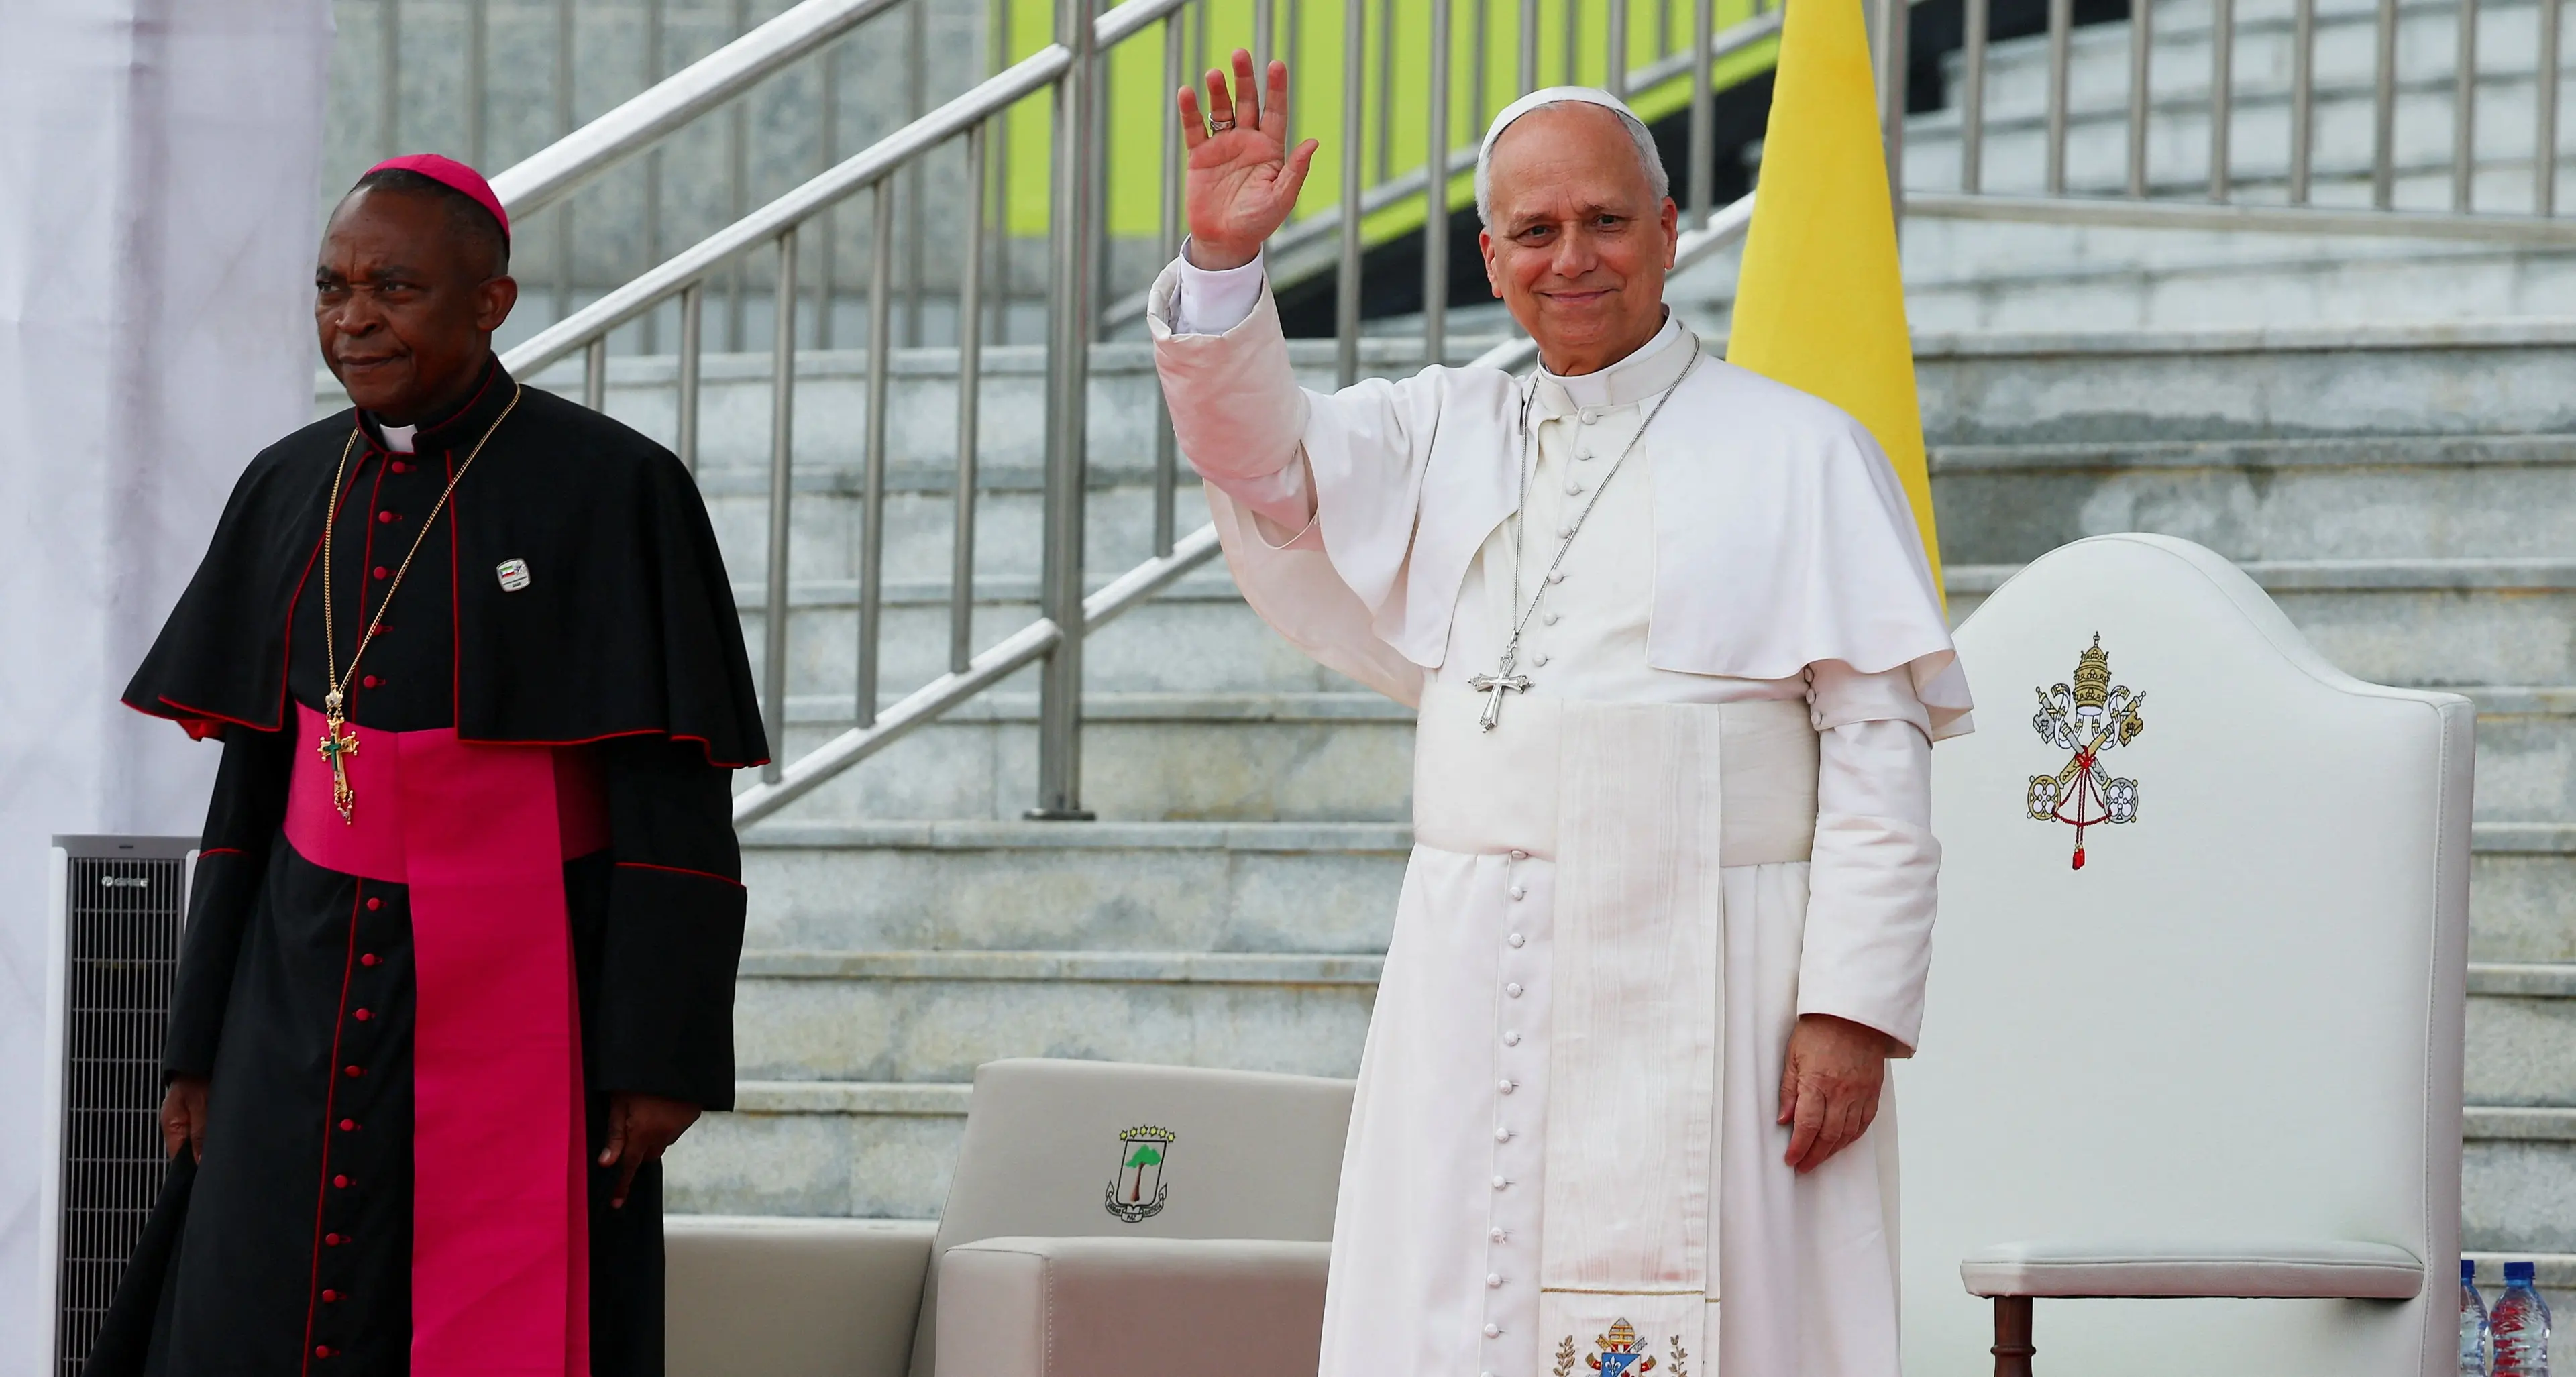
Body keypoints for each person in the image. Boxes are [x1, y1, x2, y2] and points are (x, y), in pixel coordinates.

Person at [1153, 58, 1972, 1377]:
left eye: (1603, 221)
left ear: (1667, 230)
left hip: (1733, 969)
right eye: (1535, 231)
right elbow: (1260, 458)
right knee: (1458, 1294)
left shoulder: (1805, 448)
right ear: (1491, 257)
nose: (1571, 257)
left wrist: (1852, 1009)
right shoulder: (1438, 428)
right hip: (1482, 960)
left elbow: (1881, 750)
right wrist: (1220, 266)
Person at [90, 154, 765, 1377]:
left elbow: (674, 802)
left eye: (393, 288)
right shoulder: (291, 482)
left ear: (490, 302)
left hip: (534, 966)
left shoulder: (616, 488)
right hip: (295, 975)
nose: (353, 319)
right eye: (332, 287)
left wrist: (659, 1058)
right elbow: (249, 790)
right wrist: (196, 1046)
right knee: (252, 1295)